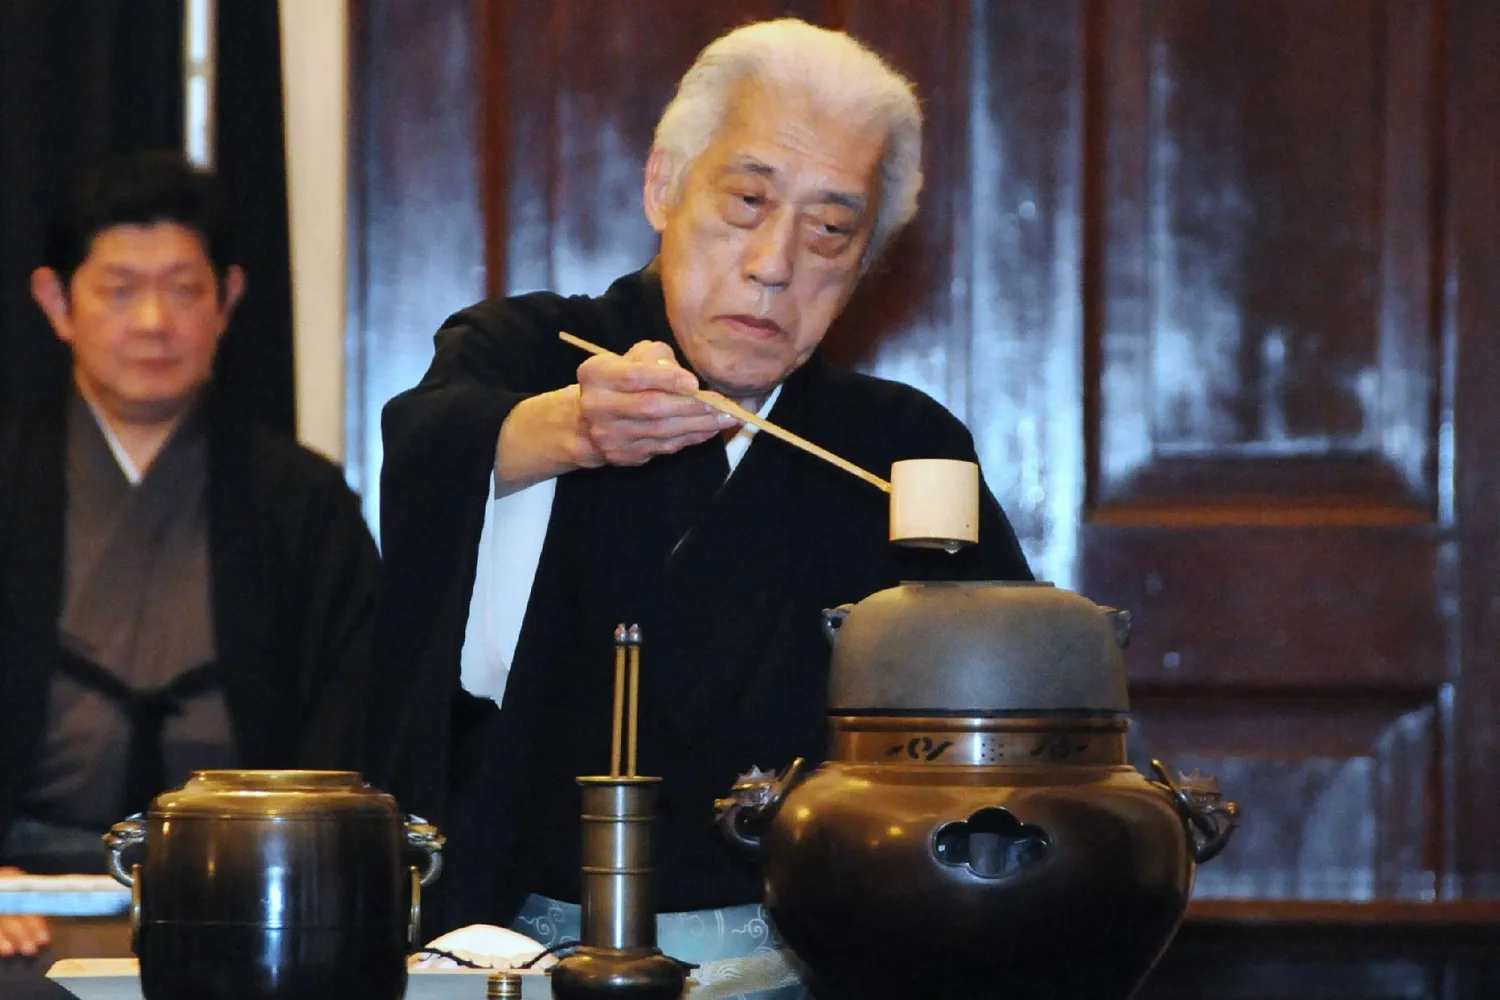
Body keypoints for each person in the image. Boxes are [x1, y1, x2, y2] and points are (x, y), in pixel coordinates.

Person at [378, 18, 1033, 992]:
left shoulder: (901, 448)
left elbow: (1009, 713)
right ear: (663, 186)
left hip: (820, 955)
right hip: (530, 947)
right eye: (746, 200)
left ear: (866, 262)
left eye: (829, 231)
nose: (775, 264)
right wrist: (569, 430)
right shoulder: (533, 355)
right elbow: (435, 444)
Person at [0, 151, 383, 963]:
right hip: (17, 896)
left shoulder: (301, 503)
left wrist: (289, 879)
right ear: (56, 301)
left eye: (181, 289)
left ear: (228, 299)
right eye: (119, 289)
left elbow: (352, 721)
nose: (152, 323)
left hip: (250, 900)